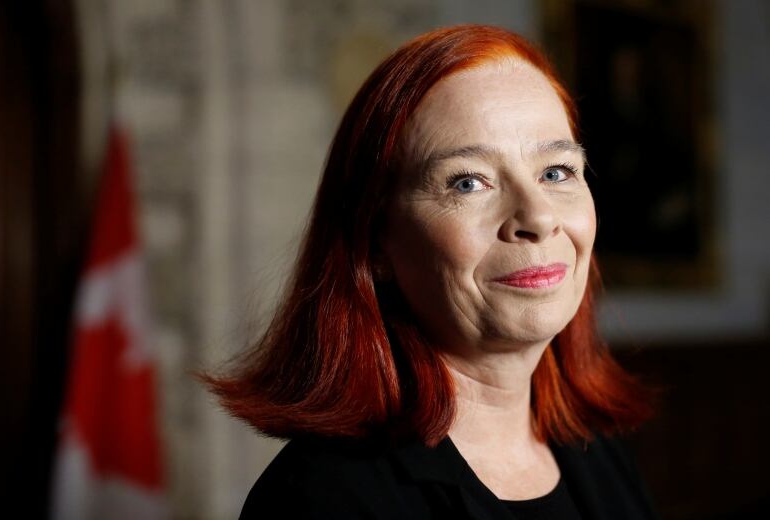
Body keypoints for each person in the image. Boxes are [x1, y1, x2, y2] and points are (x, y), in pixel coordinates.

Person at [204, 24, 656, 519]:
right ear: (377, 241)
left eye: (556, 172)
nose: (538, 217)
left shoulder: (597, 453)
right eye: (468, 182)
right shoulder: (320, 499)